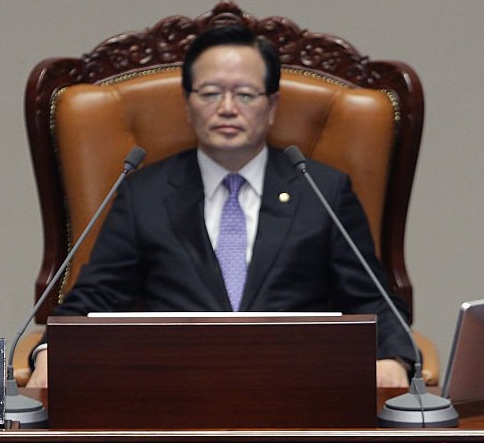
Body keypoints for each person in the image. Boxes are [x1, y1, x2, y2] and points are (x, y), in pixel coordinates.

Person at [27, 25, 415, 390]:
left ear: (273, 105)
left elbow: (371, 299)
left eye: (245, 94)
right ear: (188, 103)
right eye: (210, 93)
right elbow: (97, 297)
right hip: (173, 393)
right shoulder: (144, 193)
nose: (227, 108)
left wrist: (393, 358)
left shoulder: (322, 190)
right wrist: (49, 351)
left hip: (298, 391)